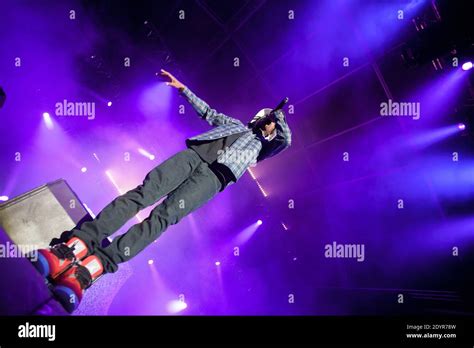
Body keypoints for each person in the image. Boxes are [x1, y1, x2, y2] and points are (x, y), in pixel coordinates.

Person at [32, 69, 292, 312]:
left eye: (270, 121)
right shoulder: (234, 124)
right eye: (266, 117)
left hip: (213, 179)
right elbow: (208, 112)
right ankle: (71, 248)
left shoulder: (261, 148)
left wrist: (277, 116)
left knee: (162, 219)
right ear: (258, 117)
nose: (268, 122)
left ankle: (90, 270)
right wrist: (182, 88)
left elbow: (286, 140)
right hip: (193, 157)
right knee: (141, 194)